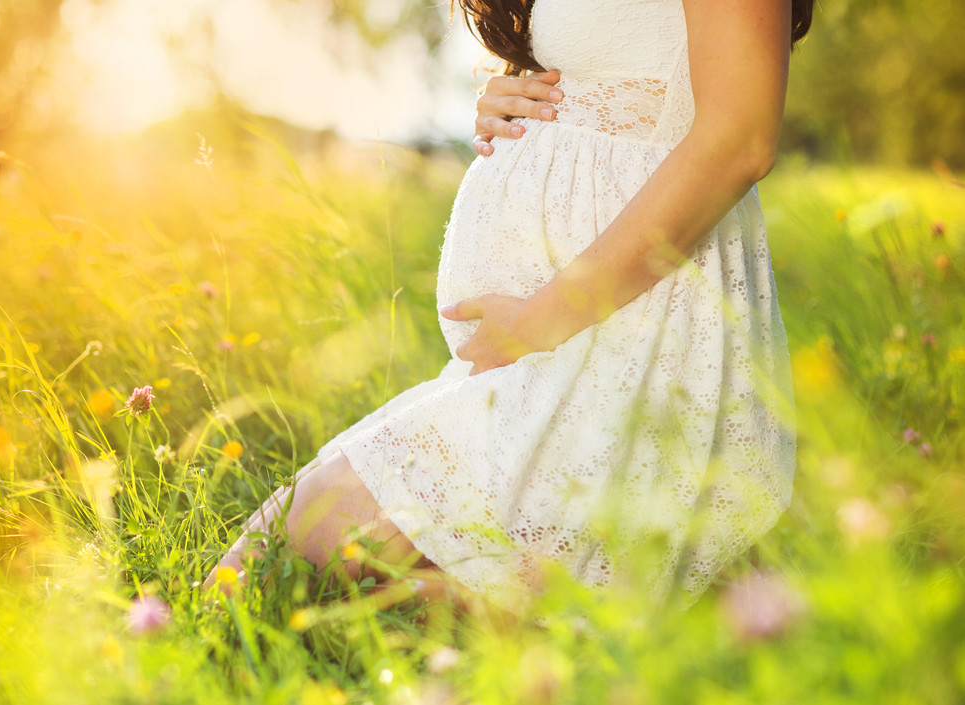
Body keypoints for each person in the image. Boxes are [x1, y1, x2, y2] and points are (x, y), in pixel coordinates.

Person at [205, 0, 814, 613]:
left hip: (627, 340)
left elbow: (739, 139)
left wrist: (539, 319)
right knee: (263, 574)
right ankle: (660, 620)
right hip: (561, 347)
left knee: (269, 570)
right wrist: (524, 94)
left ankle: (662, 622)